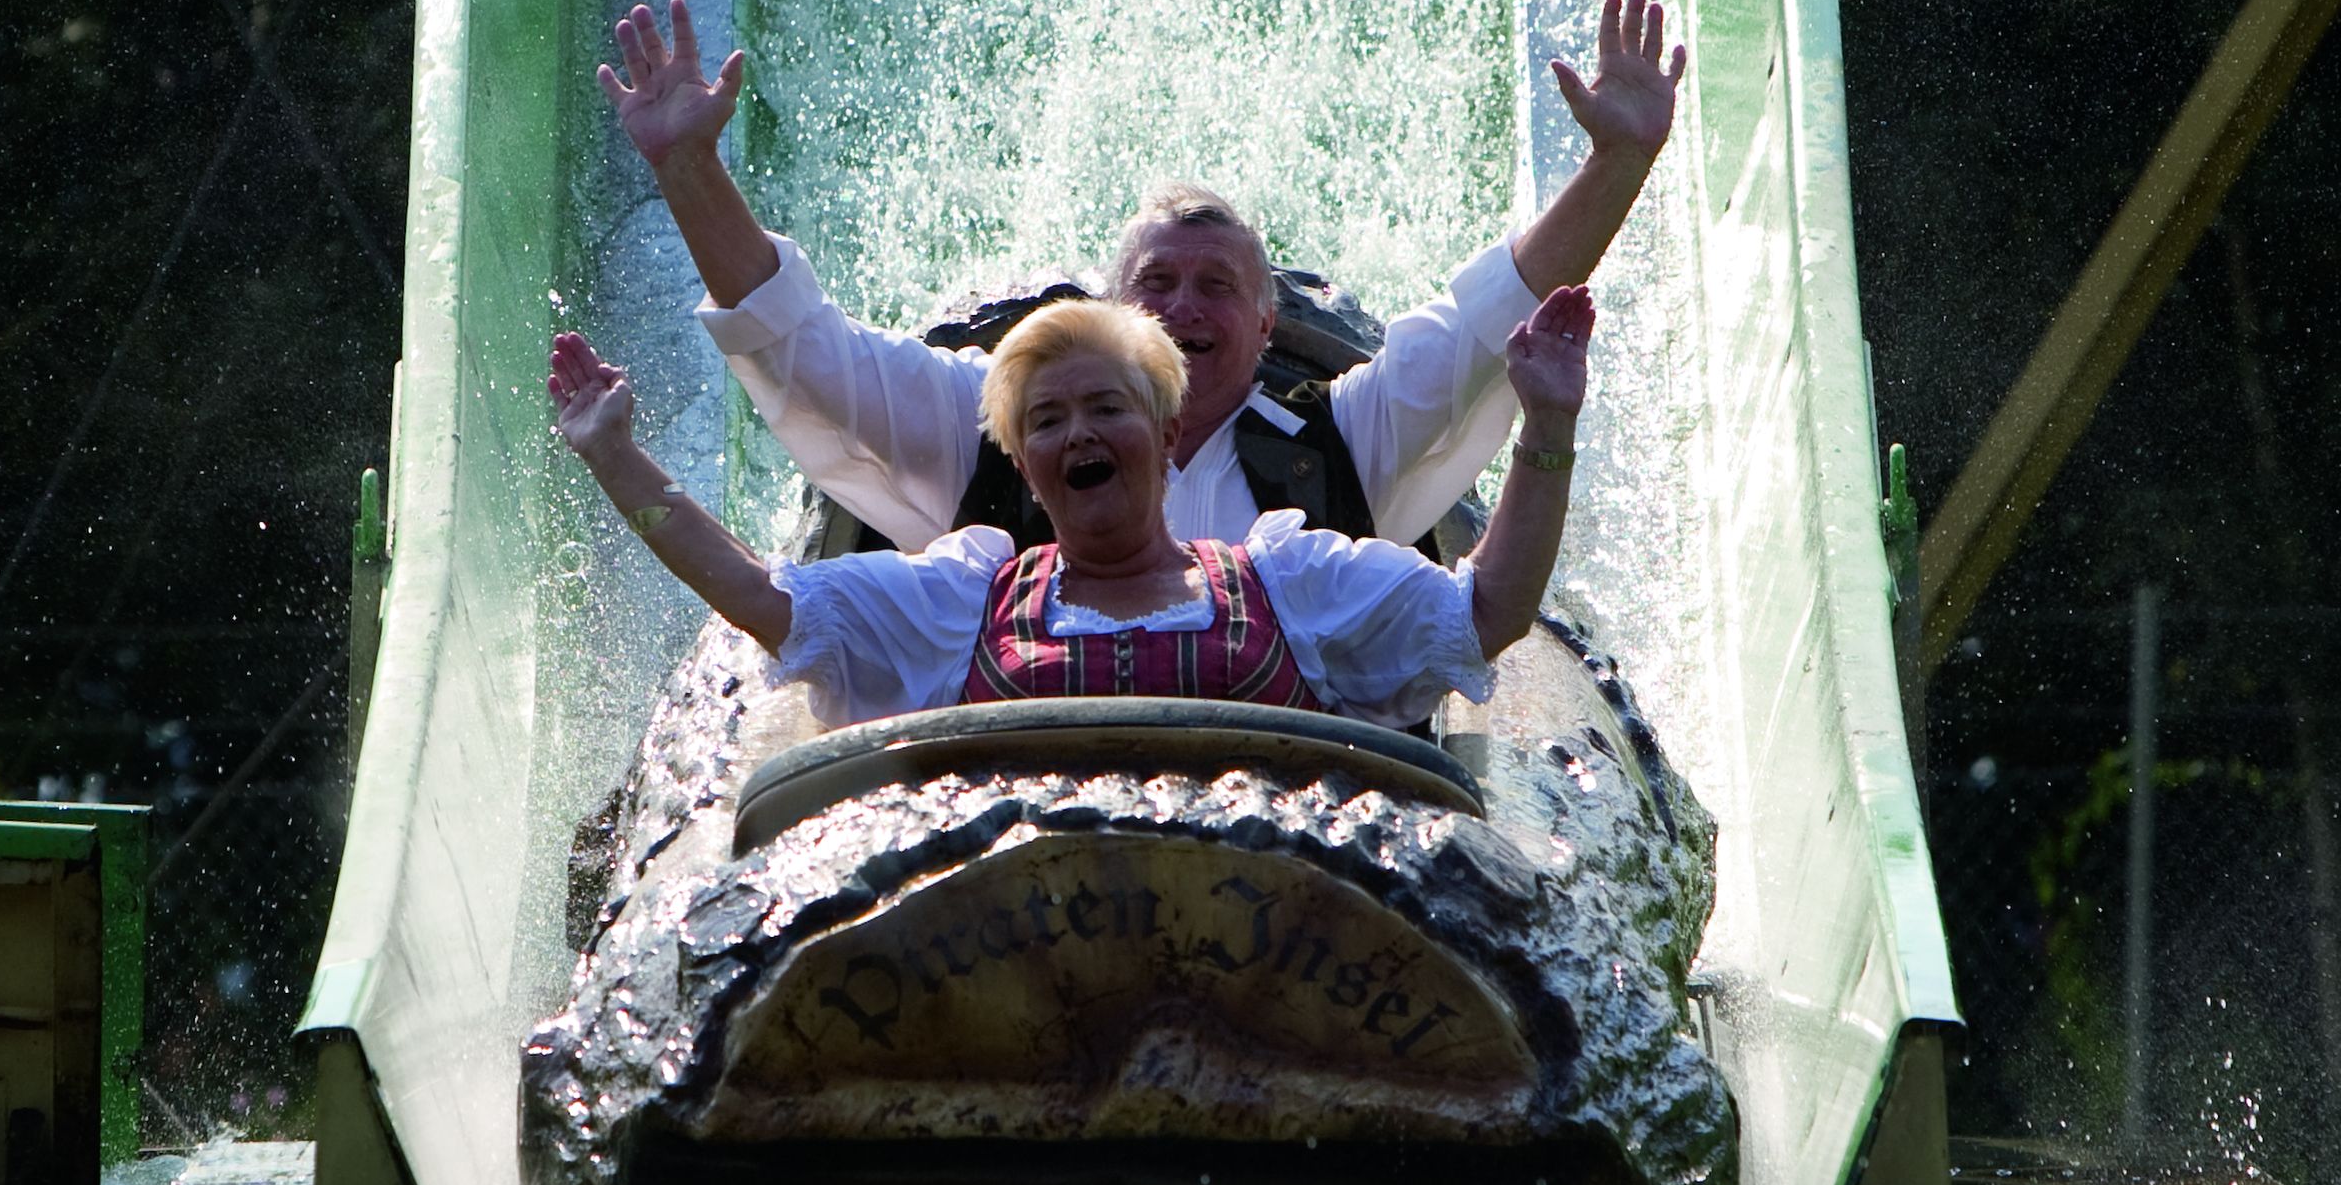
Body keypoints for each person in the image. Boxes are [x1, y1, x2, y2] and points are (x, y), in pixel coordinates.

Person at [594, 0, 1677, 554]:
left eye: (1217, 289)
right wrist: (690, 169)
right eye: (1155, 285)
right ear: (1108, 313)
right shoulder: (993, 432)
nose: (1182, 308)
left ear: (1267, 327)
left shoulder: (1341, 449)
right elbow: (804, 349)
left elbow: (1491, 322)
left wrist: (1616, 161)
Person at [546, 280, 1593, 731]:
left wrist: (1546, 422)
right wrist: (616, 460)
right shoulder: (964, 598)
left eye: (1107, 410)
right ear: (1023, 460)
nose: (1079, 435)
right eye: (1047, 421)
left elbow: (1486, 613)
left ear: (1167, 436)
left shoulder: (1290, 579)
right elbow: (765, 600)